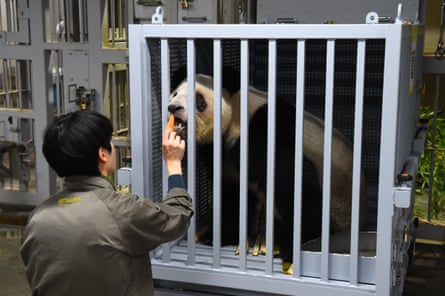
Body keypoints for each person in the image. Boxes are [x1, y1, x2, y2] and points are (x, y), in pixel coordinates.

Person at [20, 110, 193, 296]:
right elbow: (179, 214)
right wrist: (174, 163)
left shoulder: (36, 218)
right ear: (103, 154)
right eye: (110, 141)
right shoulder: (121, 211)